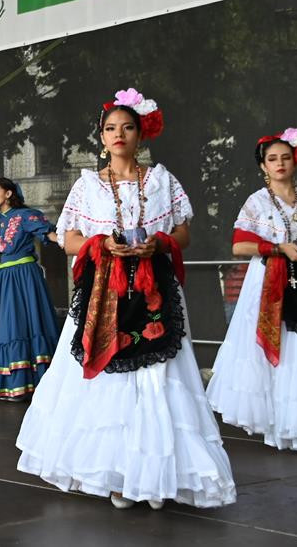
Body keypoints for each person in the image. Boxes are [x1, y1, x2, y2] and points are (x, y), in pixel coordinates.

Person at [16, 88, 235, 510]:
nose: (119, 134)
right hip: (105, 289)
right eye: (111, 128)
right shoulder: (86, 187)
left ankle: (156, 476)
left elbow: (184, 233)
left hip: (154, 285)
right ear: (101, 137)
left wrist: (158, 242)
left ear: (141, 133)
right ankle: (118, 473)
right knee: (108, 376)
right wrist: (100, 242)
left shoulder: (161, 180)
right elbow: (67, 239)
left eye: (127, 127)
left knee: (160, 376)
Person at [207, 128, 297, 451]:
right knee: (280, 348)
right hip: (270, 281)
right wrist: (278, 248)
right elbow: (240, 245)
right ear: (263, 166)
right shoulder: (256, 202)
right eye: (273, 159)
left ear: (296, 161)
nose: (280, 164)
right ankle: (283, 426)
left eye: (285, 157)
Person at [0, 178, 60, 401]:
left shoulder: (26, 215)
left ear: (8, 194)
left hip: (24, 274)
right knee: (4, 325)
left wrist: (71, 241)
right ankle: (7, 382)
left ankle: (31, 382)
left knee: (25, 323)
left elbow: (48, 234)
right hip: (4, 276)